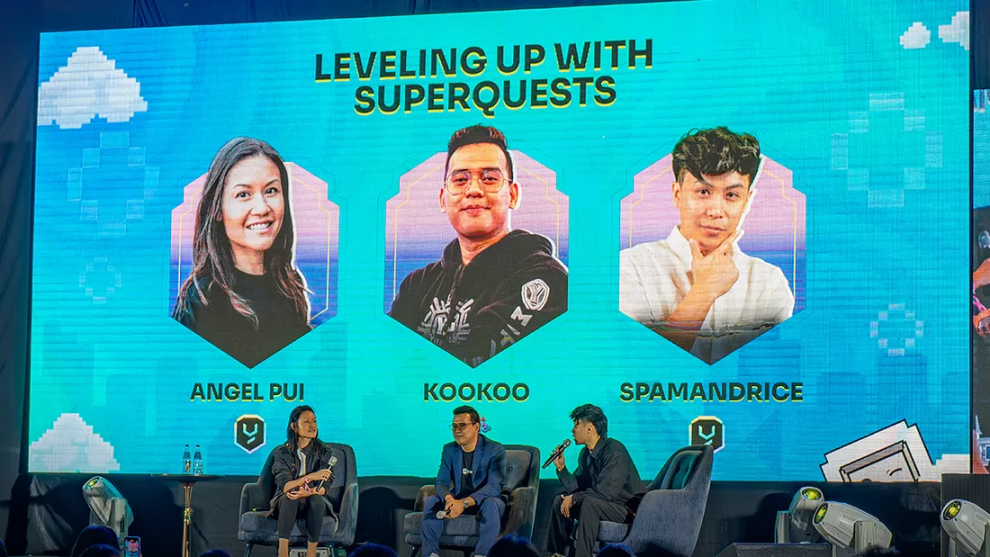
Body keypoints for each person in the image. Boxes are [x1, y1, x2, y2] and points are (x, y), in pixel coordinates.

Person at [389, 125, 568, 367]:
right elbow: (384, 358)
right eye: (460, 180)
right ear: (443, 199)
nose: (473, 190)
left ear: (513, 195)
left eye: (490, 179)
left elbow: (482, 360)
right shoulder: (417, 286)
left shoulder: (547, 279)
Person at [619, 127, 794, 364]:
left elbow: (770, 370)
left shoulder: (769, 282)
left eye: (731, 195)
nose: (716, 211)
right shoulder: (630, 268)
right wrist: (704, 292)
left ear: (747, 201)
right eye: (703, 192)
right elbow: (639, 367)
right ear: (677, 194)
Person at [172, 137, 311, 368]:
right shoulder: (202, 299)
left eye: (271, 190)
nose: (262, 208)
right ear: (217, 209)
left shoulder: (289, 286)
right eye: (243, 195)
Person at [547, 404, 642, 557]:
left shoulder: (615, 451)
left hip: (627, 509)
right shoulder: (586, 454)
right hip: (604, 504)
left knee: (589, 503)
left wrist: (575, 498)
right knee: (560, 501)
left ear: (590, 428)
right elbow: (576, 487)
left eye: (576, 424)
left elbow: (606, 492)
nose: (572, 430)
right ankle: (560, 554)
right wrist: (561, 468)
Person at [420, 405, 507, 557]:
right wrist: (449, 499)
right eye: (454, 426)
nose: (457, 430)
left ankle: (481, 555)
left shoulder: (494, 449)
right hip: (458, 499)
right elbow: (441, 482)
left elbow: (494, 486)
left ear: (476, 427)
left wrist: (464, 503)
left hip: (485, 500)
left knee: (491, 503)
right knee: (432, 501)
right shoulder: (449, 449)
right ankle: (430, 554)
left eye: (462, 425)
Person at [269, 405, 340, 557]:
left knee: (316, 499)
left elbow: (325, 484)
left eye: (314, 421)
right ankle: (283, 552)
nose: (312, 426)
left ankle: (311, 552)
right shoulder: (282, 452)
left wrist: (309, 492)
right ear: (294, 426)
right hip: (287, 500)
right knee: (290, 496)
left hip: (313, 498)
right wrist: (311, 477)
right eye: (306, 422)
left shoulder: (324, 451)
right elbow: (285, 485)